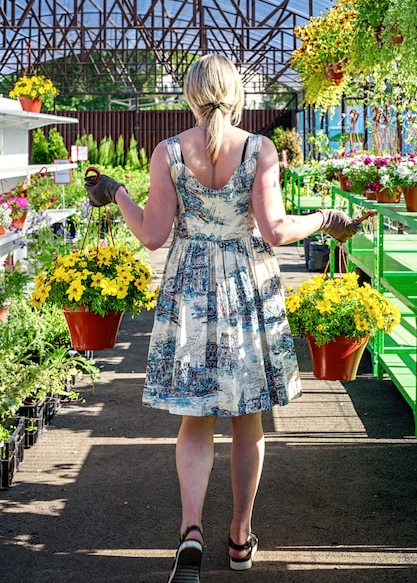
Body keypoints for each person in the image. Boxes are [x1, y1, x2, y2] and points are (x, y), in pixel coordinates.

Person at [85, 54, 359, 583]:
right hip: (246, 292)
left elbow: (152, 235)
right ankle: (239, 535)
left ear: (190, 97)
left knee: (195, 417)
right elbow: (275, 230)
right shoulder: (259, 149)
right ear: (236, 96)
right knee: (247, 417)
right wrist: (325, 218)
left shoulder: (168, 152)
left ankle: (190, 532)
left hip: (189, 293)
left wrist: (116, 192)